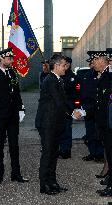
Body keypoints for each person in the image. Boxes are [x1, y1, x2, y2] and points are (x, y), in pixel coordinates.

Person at [35, 53, 81, 195]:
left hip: (55, 123)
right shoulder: (50, 80)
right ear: (56, 66)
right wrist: (73, 112)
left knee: (54, 154)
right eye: (63, 65)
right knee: (48, 154)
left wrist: (72, 110)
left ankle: (53, 182)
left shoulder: (58, 79)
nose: (65, 68)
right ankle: (45, 185)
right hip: (48, 123)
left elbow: (64, 99)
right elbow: (59, 101)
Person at [0, 48, 28, 184]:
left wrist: (21, 108)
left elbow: (16, 93)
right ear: (1, 59)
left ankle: (16, 173)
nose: (12, 60)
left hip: (13, 116)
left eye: (12, 58)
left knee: (14, 146)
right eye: (9, 58)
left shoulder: (12, 73)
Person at [85, 51, 112, 197]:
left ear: (102, 60)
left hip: (109, 123)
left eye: (94, 60)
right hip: (103, 122)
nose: (92, 63)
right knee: (108, 152)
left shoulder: (109, 75)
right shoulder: (103, 75)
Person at [80, 55, 104, 162]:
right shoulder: (86, 75)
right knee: (90, 132)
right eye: (91, 62)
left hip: (97, 108)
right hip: (87, 108)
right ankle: (92, 153)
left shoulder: (102, 75)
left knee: (98, 132)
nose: (92, 64)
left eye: (94, 62)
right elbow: (83, 93)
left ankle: (99, 154)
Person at [59, 57, 76, 159]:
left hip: (68, 106)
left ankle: (66, 150)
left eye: (67, 63)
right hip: (59, 107)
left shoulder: (72, 76)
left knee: (67, 129)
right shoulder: (60, 75)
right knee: (59, 128)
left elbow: (73, 92)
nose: (66, 65)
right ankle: (61, 149)